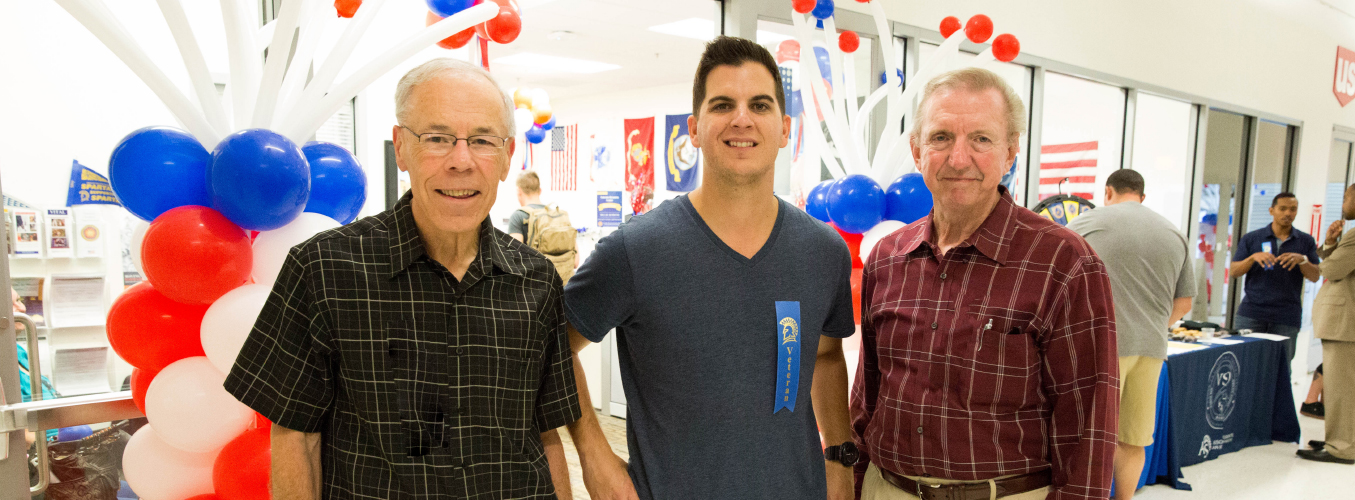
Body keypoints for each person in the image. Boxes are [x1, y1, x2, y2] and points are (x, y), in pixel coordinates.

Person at [223, 58, 581, 499]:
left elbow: (545, 435)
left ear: (507, 157)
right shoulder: (323, 269)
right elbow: (295, 437)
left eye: (482, 141)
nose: (461, 161)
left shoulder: (537, 280)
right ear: (401, 149)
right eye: (437, 138)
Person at [561, 36, 858, 500]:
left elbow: (825, 354)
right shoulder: (635, 250)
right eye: (722, 105)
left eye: (759, 105)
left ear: (784, 129)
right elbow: (554, 347)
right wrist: (593, 454)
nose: (742, 119)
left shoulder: (823, 251)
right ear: (694, 129)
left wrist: (838, 456)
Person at [852, 67, 1119, 500]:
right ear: (917, 151)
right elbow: (867, 396)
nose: (959, 158)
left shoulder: (1064, 262)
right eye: (941, 137)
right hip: (886, 489)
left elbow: (1089, 424)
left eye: (981, 138)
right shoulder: (887, 257)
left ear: (1010, 152)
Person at [1067, 170, 1194, 500]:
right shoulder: (1173, 232)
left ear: (1108, 192)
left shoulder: (1087, 222)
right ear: (1142, 196)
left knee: (1090, 436)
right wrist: (1151, 325)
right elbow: (1184, 302)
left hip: (1101, 346)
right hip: (1151, 348)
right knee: (1133, 439)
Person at [1299, 183, 1355, 465]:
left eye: (1346, 197)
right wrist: (1332, 243)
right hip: (1346, 324)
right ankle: (1342, 439)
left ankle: (1342, 447)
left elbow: (1332, 269)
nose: (1343, 203)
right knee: (1343, 386)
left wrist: (1305, 261)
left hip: (1346, 324)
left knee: (1342, 388)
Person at [1229, 192, 1321, 363]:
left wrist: (1302, 260)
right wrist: (1252, 258)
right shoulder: (1252, 238)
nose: (1288, 213)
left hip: (1286, 316)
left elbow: (1315, 276)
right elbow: (1234, 271)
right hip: (1252, 313)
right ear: (1271, 210)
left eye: (1293, 209)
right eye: (1283, 209)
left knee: (1281, 367)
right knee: (1244, 364)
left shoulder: (1305, 241)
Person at [508, 171, 579, 283]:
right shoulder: (558, 216)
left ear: (519, 191)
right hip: (563, 286)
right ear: (540, 190)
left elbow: (512, 261)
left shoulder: (518, 216)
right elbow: (576, 262)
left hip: (535, 288)